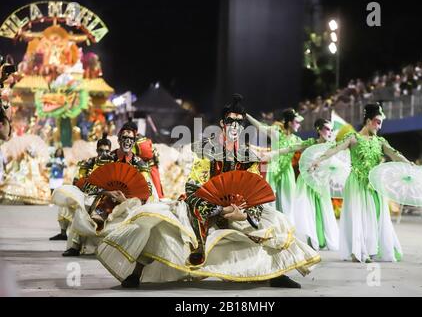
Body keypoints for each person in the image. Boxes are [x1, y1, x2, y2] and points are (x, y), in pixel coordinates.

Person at [96, 94, 320, 289]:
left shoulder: (247, 155)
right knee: (159, 221)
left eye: (239, 123)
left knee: (275, 221)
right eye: (230, 122)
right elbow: (193, 187)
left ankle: (276, 273)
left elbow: (254, 190)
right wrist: (219, 208)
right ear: (223, 124)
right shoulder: (207, 150)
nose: (235, 127)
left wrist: (244, 213)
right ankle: (136, 273)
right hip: (203, 208)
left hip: (237, 211)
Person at [310, 103, 410, 263]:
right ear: (368, 120)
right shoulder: (353, 138)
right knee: (359, 216)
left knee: (377, 215)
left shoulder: (380, 141)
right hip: (356, 182)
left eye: (381, 122)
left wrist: (409, 164)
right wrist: (318, 159)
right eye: (377, 121)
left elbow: (394, 154)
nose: (380, 125)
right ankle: (359, 251)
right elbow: (335, 149)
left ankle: (373, 249)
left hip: (374, 183)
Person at [55, 121, 157, 257]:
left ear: (134, 142)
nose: (127, 142)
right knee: (82, 207)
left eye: (131, 139)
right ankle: (75, 245)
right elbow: (90, 184)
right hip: (105, 199)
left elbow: (146, 190)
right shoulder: (106, 159)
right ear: (119, 140)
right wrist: (108, 192)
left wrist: (125, 199)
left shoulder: (140, 164)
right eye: (125, 138)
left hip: (129, 202)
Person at [49, 133, 112, 241]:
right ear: (97, 150)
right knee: (66, 202)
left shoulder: (113, 164)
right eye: (101, 150)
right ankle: (63, 233)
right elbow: (78, 180)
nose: (104, 153)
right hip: (87, 194)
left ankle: (78, 242)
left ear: (110, 151)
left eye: (107, 151)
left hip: (105, 197)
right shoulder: (89, 163)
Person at [292, 119, 339, 251]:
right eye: (326, 129)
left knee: (323, 209)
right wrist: (274, 153)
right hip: (307, 181)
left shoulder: (332, 146)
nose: (329, 132)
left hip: (322, 183)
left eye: (331, 129)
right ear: (319, 130)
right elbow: (293, 148)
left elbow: (336, 164)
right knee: (309, 209)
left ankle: (322, 239)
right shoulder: (310, 144)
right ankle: (312, 239)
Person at [246, 108, 303, 219]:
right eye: (297, 122)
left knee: (288, 200)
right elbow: (260, 126)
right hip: (273, 169)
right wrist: (247, 116)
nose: (299, 125)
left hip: (287, 171)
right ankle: (269, 224)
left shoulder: (296, 139)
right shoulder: (277, 133)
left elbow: (309, 148)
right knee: (269, 199)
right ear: (290, 122)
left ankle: (287, 227)